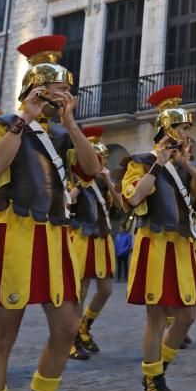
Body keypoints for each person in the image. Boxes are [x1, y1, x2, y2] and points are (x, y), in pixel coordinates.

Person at [0, 35, 102, 391]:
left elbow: (91, 170)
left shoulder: (62, 133)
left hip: (56, 236)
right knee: (3, 335)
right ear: (36, 88)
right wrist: (24, 119)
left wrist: (72, 123)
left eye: (67, 90)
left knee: (66, 327)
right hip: (14, 233)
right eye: (59, 88)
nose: (65, 94)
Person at [122, 85, 196, 391]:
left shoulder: (187, 166)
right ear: (165, 130)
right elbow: (134, 197)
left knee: (187, 316)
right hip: (156, 244)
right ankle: (154, 383)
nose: (185, 134)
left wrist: (188, 165)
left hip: (183, 245)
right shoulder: (141, 162)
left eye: (188, 129)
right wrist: (159, 163)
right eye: (180, 128)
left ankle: (157, 373)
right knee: (157, 318)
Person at [68, 127, 122, 362]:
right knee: (81, 290)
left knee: (106, 288)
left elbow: (122, 206)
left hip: (102, 238)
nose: (102, 162)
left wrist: (109, 182)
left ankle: (84, 325)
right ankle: (72, 339)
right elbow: (67, 202)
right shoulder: (77, 181)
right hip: (82, 237)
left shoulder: (104, 184)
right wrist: (82, 183)